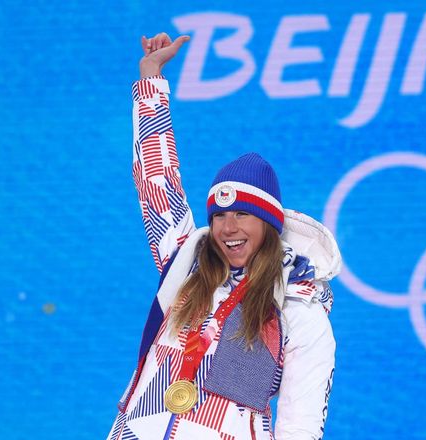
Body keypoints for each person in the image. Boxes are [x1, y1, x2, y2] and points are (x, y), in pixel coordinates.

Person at [107, 33, 341, 440]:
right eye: (219, 216)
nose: (228, 228)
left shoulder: (298, 309)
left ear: (269, 226)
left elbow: (300, 426)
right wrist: (150, 80)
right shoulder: (187, 263)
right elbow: (156, 182)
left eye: (243, 215)